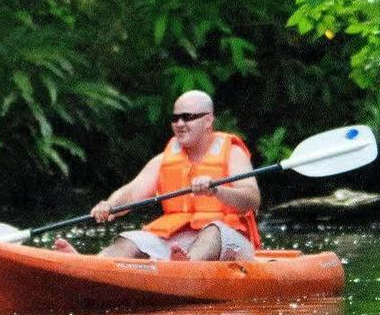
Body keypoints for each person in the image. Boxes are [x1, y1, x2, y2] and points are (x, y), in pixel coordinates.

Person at [56, 89, 261, 262]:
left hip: (229, 241)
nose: (179, 123)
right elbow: (132, 192)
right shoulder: (165, 159)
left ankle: (185, 268)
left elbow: (252, 199)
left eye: (188, 117)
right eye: (175, 118)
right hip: (180, 244)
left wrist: (216, 190)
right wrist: (110, 205)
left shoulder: (233, 153)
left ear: (208, 120)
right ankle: (95, 264)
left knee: (213, 230)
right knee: (130, 239)